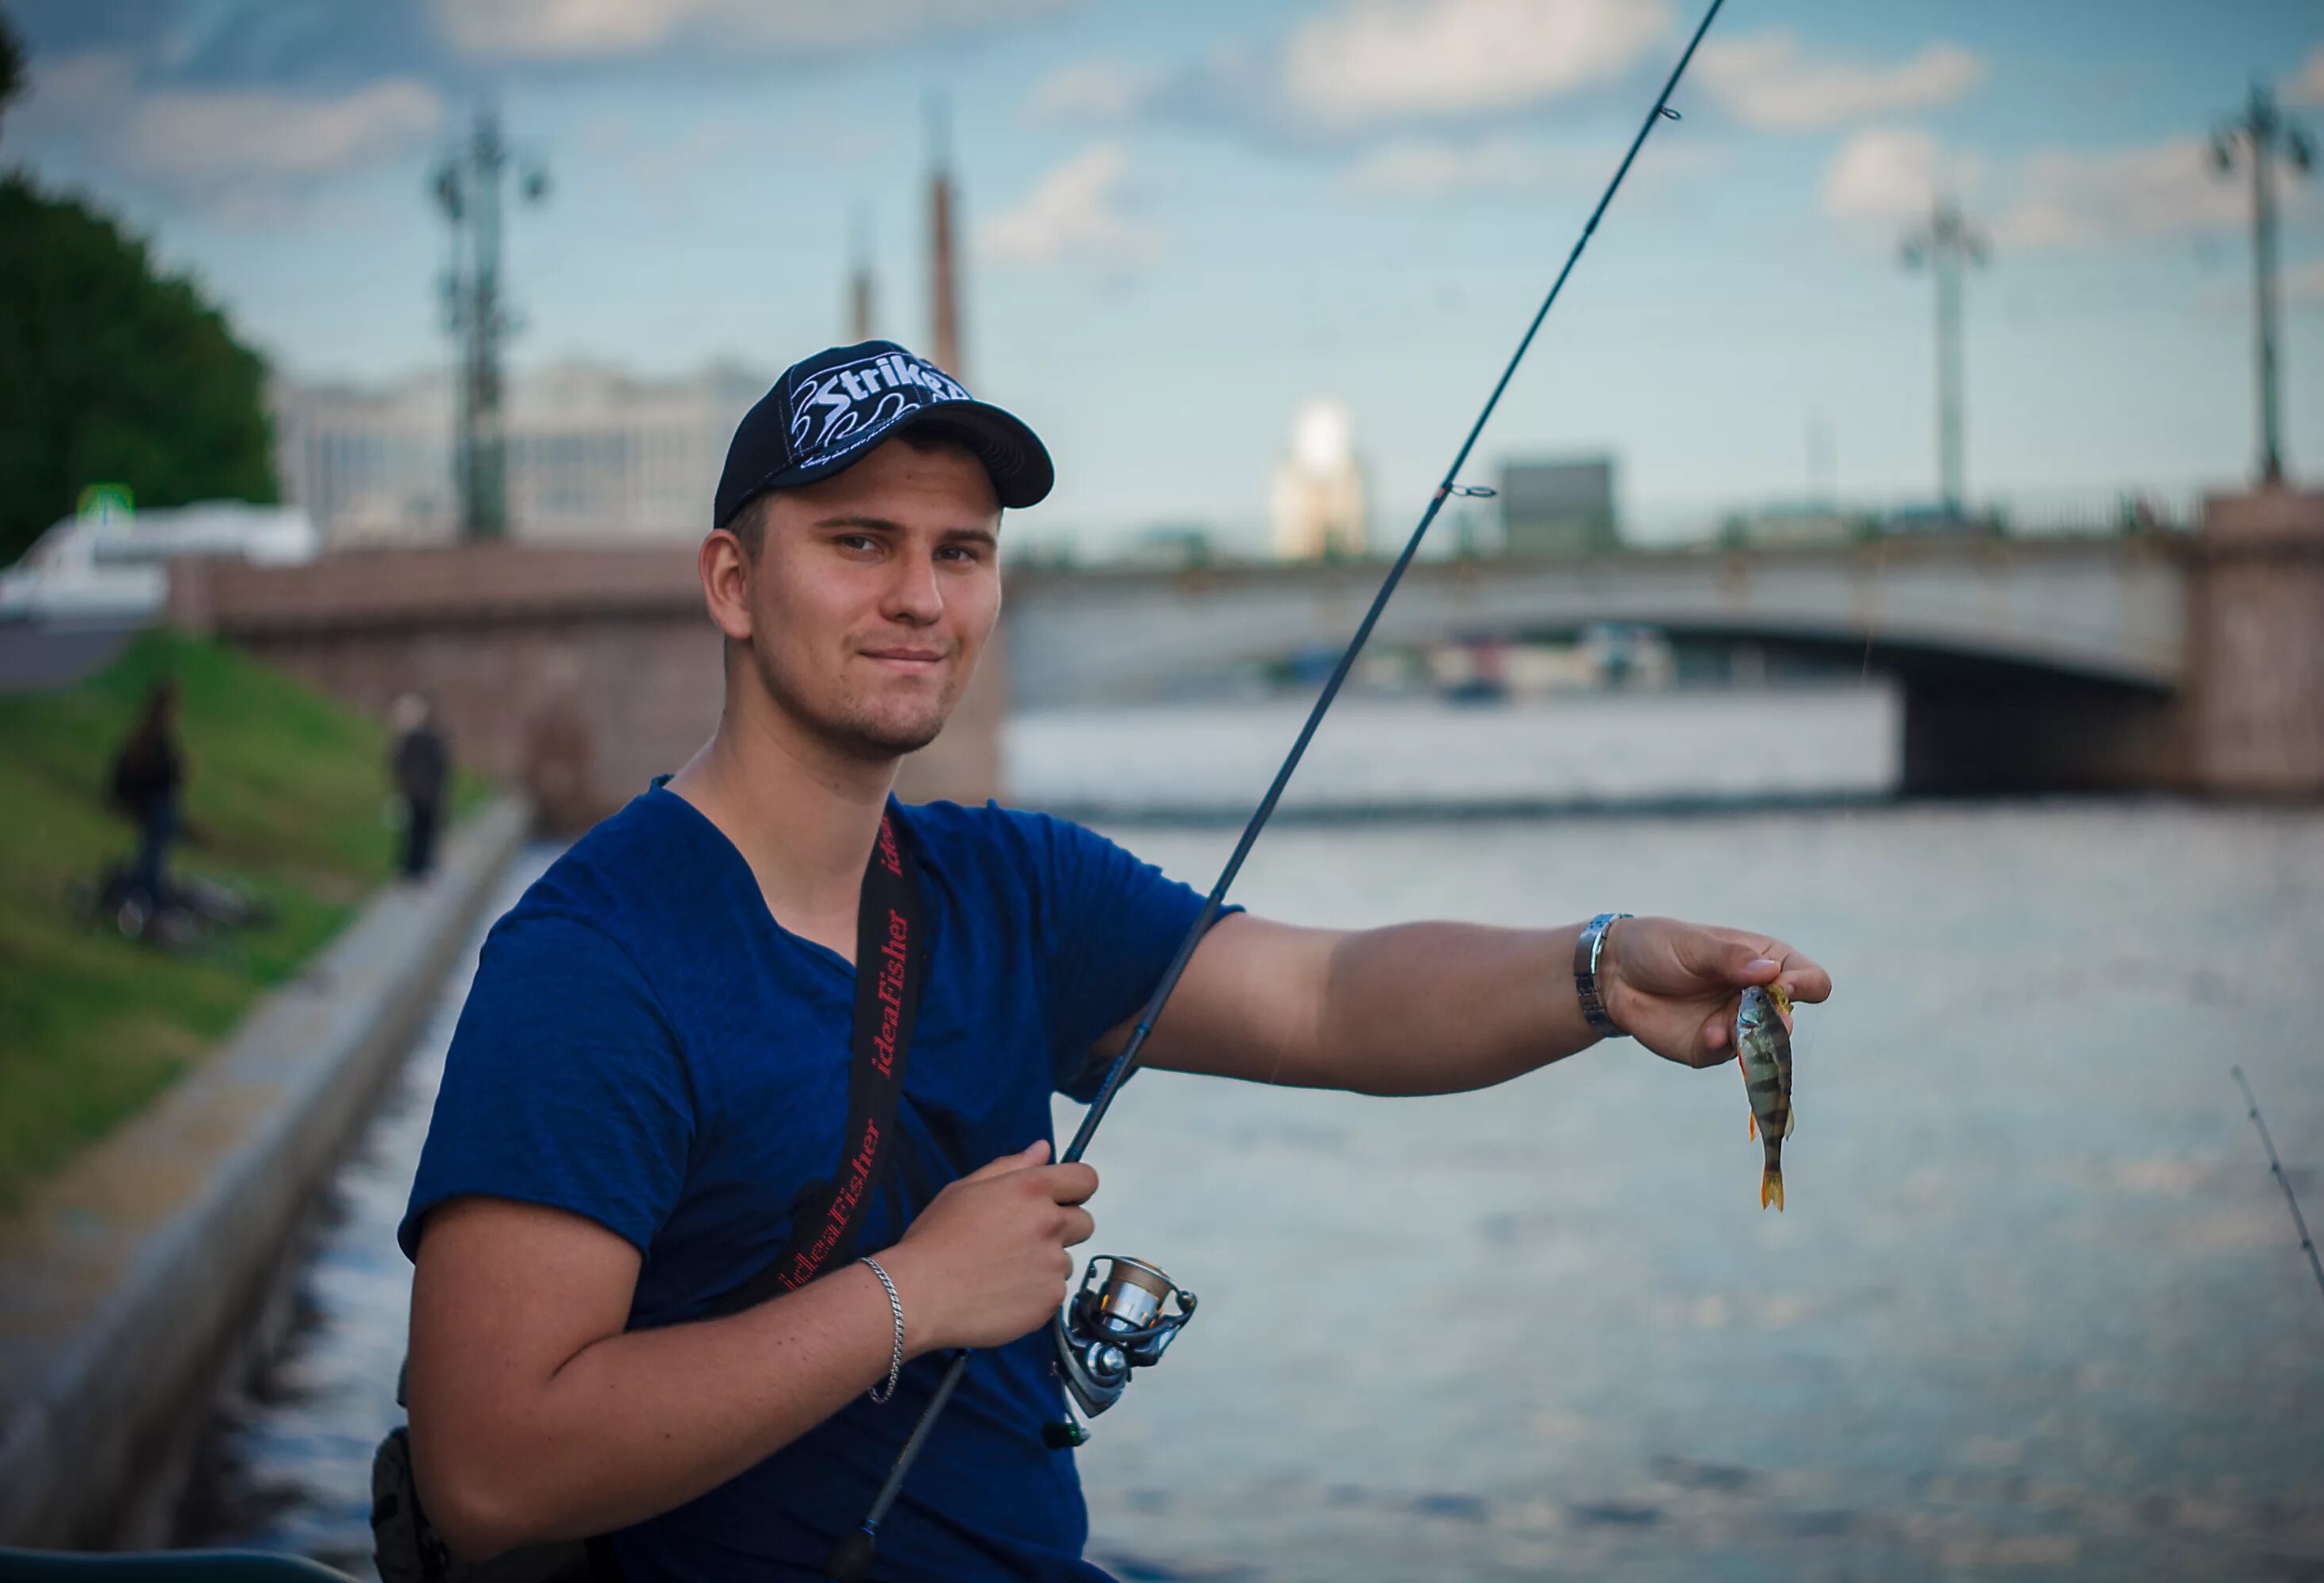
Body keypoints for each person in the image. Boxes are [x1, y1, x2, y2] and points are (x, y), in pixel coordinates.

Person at [397, 341, 1832, 1582]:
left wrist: (1595, 971)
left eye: (961, 553)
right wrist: (916, 1295)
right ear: (732, 581)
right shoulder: (594, 963)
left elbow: (1327, 1000)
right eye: (859, 543)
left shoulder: (1010, 886)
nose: (921, 596)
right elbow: (493, 1467)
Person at [108, 678, 183, 915]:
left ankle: (149, 882)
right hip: (147, 803)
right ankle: (147, 887)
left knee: (163, 831)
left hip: (154, 803)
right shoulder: (151, 737)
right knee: (159, 833)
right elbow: (152, 774)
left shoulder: (156, 737)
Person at [390, 693, 451, 880]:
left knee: (421, 833)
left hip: (422, 795)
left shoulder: (422, 740)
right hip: (421, 795)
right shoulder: (418, 740)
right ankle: (414, 868)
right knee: (416, 833)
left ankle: (416, 868)